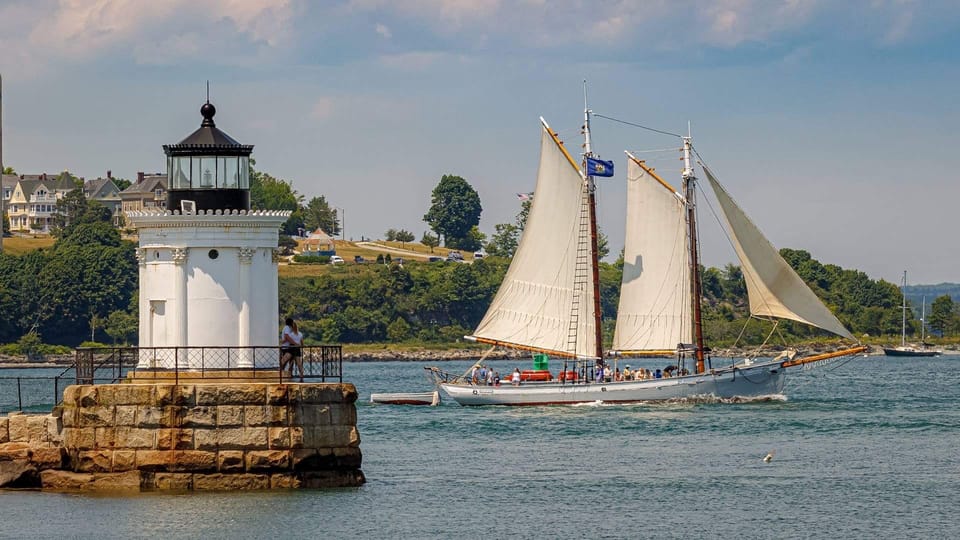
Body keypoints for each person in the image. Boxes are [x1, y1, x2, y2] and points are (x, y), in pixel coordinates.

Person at [280, 317, 305, 382]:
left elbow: (286, 339)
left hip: (291, 348)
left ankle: (281, 374)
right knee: (299, 363)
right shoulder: (300, 334)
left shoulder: (291, 333)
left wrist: (282, 341)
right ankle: (301, 376)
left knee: (283, 361)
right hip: (297, 349)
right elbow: (302, 343)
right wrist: (299, 345)